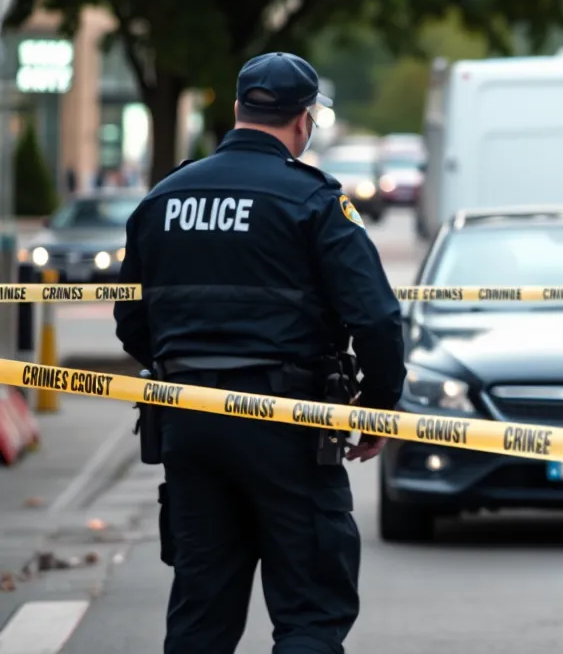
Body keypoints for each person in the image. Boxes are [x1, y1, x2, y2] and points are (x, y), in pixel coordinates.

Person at [114, 51, 406, 654]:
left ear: (241, 108)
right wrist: (377, 406)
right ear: (303, 121)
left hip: (187, 419)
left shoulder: (164, 198)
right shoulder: (315, 200)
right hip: (286, 424)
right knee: (309, 611)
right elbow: (375, 315)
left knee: (201, 614)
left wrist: (180, 367)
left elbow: (131, 317)